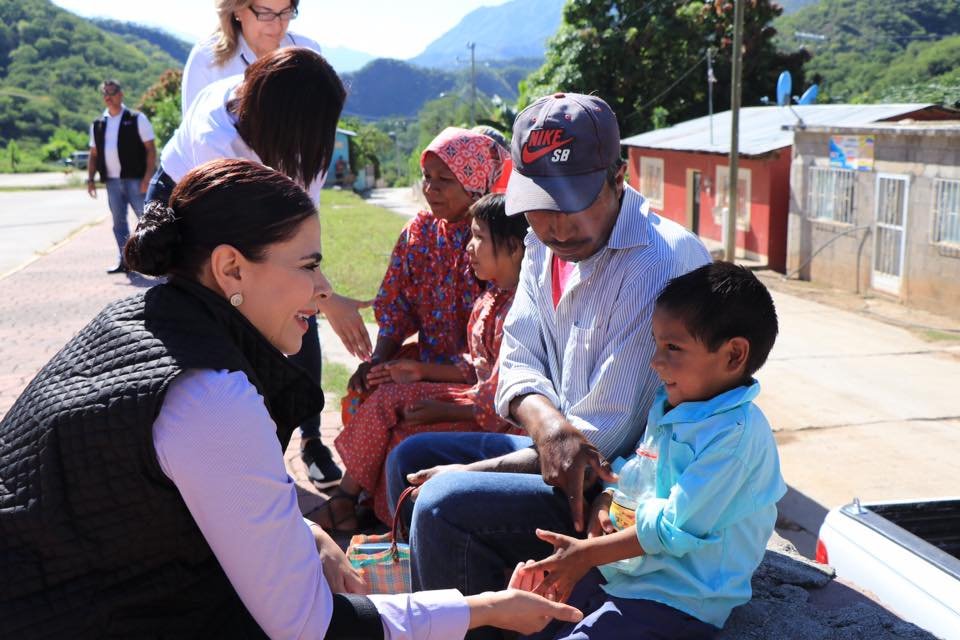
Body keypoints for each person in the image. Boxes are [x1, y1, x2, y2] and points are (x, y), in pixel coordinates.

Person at [0, 159, 582, 639]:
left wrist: (303, 532)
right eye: (308, 267)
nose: (321, 292)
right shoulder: (211, 396)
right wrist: (484, 609)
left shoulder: (137, 320)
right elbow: (311, 629)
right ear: (231, 268)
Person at [384, 93, 712, 612]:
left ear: (618, 176)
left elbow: (597, 444)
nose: (556, 224)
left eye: (574, 202)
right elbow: (517, 358)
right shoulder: (541, 244)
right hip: (552, 449)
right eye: (540, 204)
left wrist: (475, 472)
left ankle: (481, 621)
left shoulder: (658, 264)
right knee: (411, 457)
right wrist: (548, 425)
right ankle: (464, 612)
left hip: (617, 491)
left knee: (443, 506)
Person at [516, 262, 787, 639]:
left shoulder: (736, 436)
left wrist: (586, 555)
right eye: (657, 344)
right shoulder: (675, 406)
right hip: (627, 576)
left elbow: (673, 527)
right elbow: (640, 472)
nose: (655, 362)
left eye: (673, 348)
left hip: (678, 600)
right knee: (530, 620)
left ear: (733, 355)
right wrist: (607, 498)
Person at [149, 46, 366, 488]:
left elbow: (302, 234)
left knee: (294, 311)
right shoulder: (218, 138)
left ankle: (307, 438)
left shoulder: (299, 140)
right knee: (230, 323)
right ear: (283, 125)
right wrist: (318, 296)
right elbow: (247, 250)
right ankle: (240, 456)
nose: (317, 147)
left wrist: (320, 295)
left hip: (244, 204)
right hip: (193, 201)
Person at [320, 193, 527, 531]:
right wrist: (418, 371)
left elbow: (502, 399)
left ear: (516, 248)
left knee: (397, 419)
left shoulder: (520, 310)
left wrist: (442, 410)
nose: (468, 248)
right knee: (390, 408)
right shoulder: (490, 298)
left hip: (498, 420)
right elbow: (477, 368)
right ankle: (377, 515)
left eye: (478, 238)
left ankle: (372, 514)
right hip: (475, 400)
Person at [341, 127, 508, 424]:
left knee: (392, 411)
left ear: (475, 184)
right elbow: (397, 308)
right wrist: (378, 362)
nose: (430, 189)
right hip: (425, 364)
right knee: (362, 396)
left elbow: (496, 347)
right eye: (428, 177)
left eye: (444, 180)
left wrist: (425, 374)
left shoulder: (496, 242)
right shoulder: (419, 232)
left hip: (480, 377)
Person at [181, 0, 321, 117]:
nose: (277, 25)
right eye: (265, 13)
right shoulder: (207, 60)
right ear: (237, 10)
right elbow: (194, 138)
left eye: (285, 13)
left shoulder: (308, 52)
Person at [87, 79, 157, 273]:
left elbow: (151, 149)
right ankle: (125, 261)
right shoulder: (98, 124)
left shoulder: (136, 118)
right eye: (105, 93)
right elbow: (93, 154)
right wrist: (90, 179)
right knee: (119, 222)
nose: (108, 97)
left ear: (121, 94)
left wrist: (147, 178)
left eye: (112, 92)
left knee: (146, 220)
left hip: (135, 179)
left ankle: (155, 260)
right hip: (112, 181)